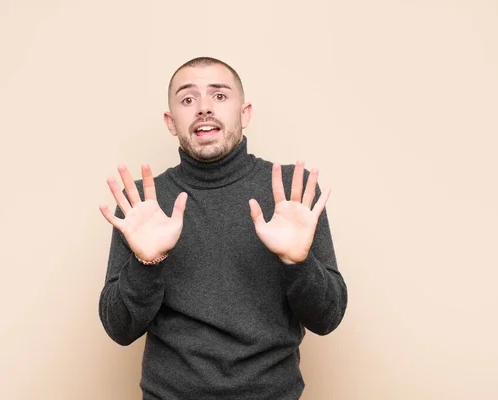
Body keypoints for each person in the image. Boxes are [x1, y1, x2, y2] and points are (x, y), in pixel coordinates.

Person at [98, 56, 348, 400]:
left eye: (219, 96)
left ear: (244, 113)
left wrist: (297, 263)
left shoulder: (294, 192)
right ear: (171, 121)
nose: (203, 108)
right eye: (188, 99)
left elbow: (327, 318)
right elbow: (119, 328)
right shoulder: (143, 204)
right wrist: (146, 264)